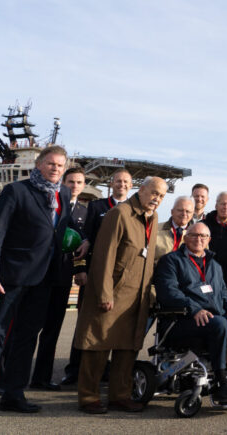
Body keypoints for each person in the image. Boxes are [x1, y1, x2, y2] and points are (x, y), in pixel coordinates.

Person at [0, 146, 74, 422]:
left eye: (60, 165)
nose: (55, 169)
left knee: (26, 339)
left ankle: (13, 394)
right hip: (11, 278)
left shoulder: (63, 193)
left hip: (43, 280)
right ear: (38, 164)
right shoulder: (16, 191)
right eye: (51, 163)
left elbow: (56, 233)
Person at [74, 177, 164, 414]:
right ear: (141, 190)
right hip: (113, 293)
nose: (157, 199)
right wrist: (104, 293)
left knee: (128, 348)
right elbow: (104, 256)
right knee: (98, 345)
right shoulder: (120, 214)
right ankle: (89, 396)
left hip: (137, 296)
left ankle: (120, 396)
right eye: (154, 193)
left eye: (162, 196)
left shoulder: (152, 218)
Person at [154, 222, 227, 405]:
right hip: (182, 320)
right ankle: (221, 382)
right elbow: (169, 292)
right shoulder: (171, 261)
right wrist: (195, 309)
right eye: (194, 235)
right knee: (219, 323)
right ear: (185, 238)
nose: (198, 239)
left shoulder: (214, 265)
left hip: (212, 320)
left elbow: (223, 293)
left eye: (203, 236)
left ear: (209, 240)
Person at [61, 168, 132, 386]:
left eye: (126, 182)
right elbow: (85, 240)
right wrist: (80, 269)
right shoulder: (97, 207)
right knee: (86, 321)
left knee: (110, 325)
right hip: (95, 274)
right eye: (118, 181)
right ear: (111, 184)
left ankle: (103, 369)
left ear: (131, 185)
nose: (122, 184)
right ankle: (75, 369)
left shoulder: (133, 210)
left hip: (120, 278)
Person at [27, 166, 90, 391]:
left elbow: (86, 238)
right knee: (29, 327)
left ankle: (41, 377)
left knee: (52, 330)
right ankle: (14, 375)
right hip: (40, 273)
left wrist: (85, 243)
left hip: (63, 274)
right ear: (64, 182)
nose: (74, 186)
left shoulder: (85, 211)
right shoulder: (51, 201)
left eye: (78, 182)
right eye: (70, 181)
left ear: (83, 186)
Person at [154, 196, 194, 262]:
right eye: (180, 210)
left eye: (188, 211)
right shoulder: (155, 229)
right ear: (172, 212)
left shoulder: (198, 234)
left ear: (192, 215)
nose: (184, 214)